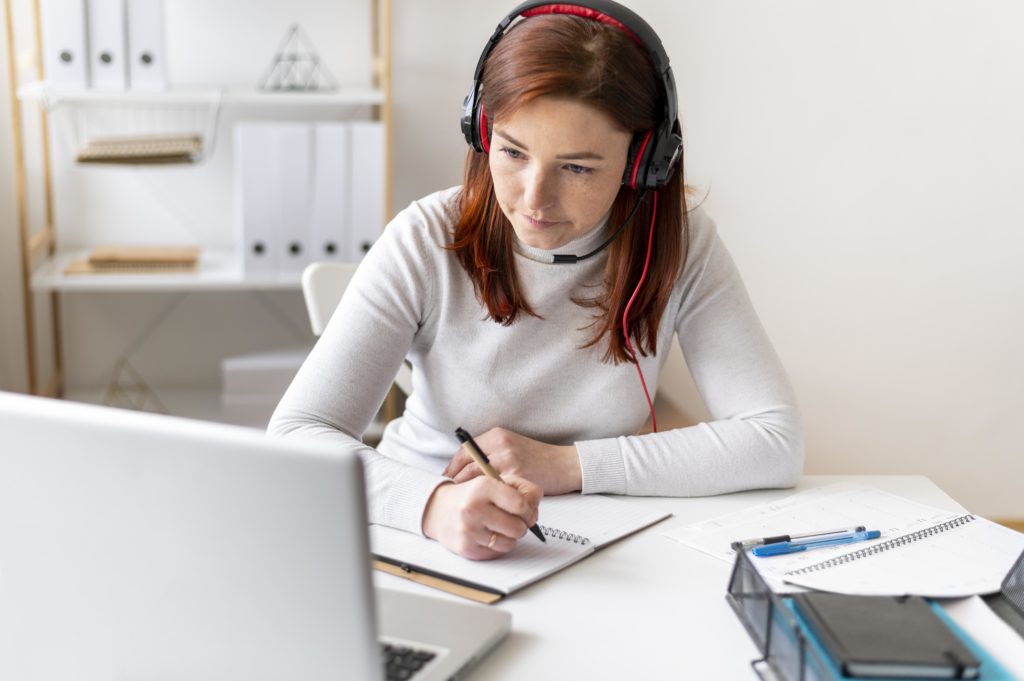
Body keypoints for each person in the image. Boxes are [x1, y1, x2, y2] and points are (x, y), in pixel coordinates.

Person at [269, 1, 803, 560]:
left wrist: (566, 464)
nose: (533, 199)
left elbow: (774, 439)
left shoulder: (679, 245)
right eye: (513, 152)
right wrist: (434, 506)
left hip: (595, 540)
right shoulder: (425, 237)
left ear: (643, 163)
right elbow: (298, 434)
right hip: (421, 532)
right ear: (482, 131)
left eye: (577, 167)